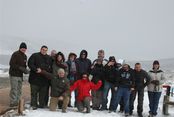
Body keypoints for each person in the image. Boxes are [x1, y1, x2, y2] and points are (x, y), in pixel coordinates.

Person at [28, 45, 52, 109]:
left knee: (42, 94)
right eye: (43, 50)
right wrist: (36, 70)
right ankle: (33, 105)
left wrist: (44, 71)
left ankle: (42, 105)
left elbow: (50, 68)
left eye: (45, 50)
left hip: (44, 80)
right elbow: (30, 63)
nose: (44, 51)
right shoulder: (35, 55)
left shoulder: (49, 58)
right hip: (34, 79)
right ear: (40, 49)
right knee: (34, 94)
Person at [9, 42, 29, 107]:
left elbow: (24, 65)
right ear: (20, 48)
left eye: (25, 48)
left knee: (19, 89)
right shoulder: (15, 54)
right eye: (22, 48)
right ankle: (13, 102)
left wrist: (25, 70)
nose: (23, 49)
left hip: (20, 75)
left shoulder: (25, 56)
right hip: (14, 74)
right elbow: (11, 64)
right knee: (14, 89)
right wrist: (20, 68)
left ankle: (17, 102)